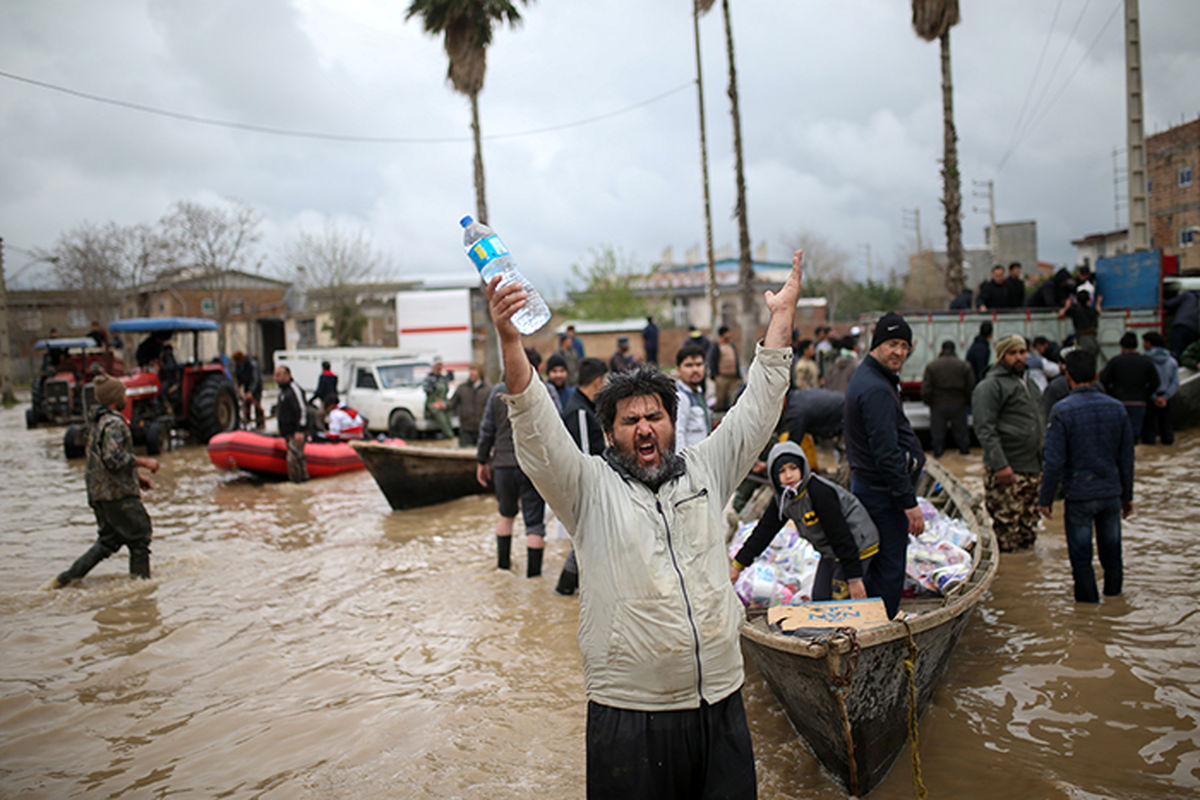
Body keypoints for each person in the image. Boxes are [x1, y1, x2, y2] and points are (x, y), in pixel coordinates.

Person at [491, 248, 803, 798]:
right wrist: (512, 343)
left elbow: (759, 407)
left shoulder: (708, 467)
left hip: (720, 699)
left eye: (654, 416)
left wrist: (781, 320)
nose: (643, 428)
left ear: (671, 423)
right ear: (610, 432)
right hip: (630, 711)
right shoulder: (586, 487)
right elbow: (535, 427)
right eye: (629, 419)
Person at [844, 312, 926, 619]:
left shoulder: (874, 377)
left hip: (872, 488)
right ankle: (882, 626)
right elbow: (886, 453)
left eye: (905, 346)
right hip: (881, 495)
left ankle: (872, 621)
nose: (899, 352)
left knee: (877, 563)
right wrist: (909, 502)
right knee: (889, 567)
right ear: (876, 344)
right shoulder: (876, 388)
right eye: (892, 344)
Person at [1039, 349, 1134, 603]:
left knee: (1081, 557)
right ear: (1096, 375)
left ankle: (1088, 609)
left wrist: (1045, 498)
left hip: (1079, 495)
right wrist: (1128, 495)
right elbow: (1126, 458)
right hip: (1111, 493)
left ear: (1067, 376)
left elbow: (1054, 461)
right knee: (1112, 552)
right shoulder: (1117, 409)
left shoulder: (1061, 410)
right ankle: (1114, 601)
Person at [731, 442, 878, 601]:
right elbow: (764, 532)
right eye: (781, 471)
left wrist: (854, 578)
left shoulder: (819, 492)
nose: (788, 476)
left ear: (802, 467)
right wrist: (738, 565)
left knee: (839, 599)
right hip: (830, 549)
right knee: (820, 598)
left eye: (793, 468)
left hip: (856, 544)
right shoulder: (783, 499)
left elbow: (840, 534)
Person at [54, 374, 159, 587]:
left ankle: (64, 580)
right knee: (140, 537)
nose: (126, 397)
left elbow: (101, 461)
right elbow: (114, 459)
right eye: (123, 394)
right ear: (114, 399)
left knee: (108, 542)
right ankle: (141, 591)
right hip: (118, 495)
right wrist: (144, 462)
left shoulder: (97, 423)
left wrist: (137, 478)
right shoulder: (115, 425)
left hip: (99, 493)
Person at [476, 356, 549, 579]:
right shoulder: (539, 391)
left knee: (505, 516)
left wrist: (481, 460)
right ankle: (534, 579)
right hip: (531, 465)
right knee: (534, 524)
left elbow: (487, 429)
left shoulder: (497, 392)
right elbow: (551, 429)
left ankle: (503, 569)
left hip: (503, 465)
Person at [972, 335, 1045, 552]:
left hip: (1032, 468)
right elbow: (985, 429)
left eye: (1022, 352)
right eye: (1012, 353)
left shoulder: (1029, 383)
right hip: (1008, 470)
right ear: (1001, 356)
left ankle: (1027, 580)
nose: (1019, 358)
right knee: (1007, 531)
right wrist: (1000, 465)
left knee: (1028, 528)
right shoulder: (990, 386)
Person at [555, 357, 609, 597]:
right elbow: (585, 455)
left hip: (589, 486)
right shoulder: (578, 411)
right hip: (586, 487)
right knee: (585, 542)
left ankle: (575, 590)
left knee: (587, 542)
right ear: (597, 382)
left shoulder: (583, 405)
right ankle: (565, 589)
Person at [1099, 332, 1159, 439]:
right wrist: (1145, 394)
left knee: (1119, 436)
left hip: (1119, 402)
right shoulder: (1146, 362)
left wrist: (1111, 394)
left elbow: (1103, 380)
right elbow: (1155, 382)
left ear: (1122, 346)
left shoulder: (1115, 361)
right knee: (1134, 435)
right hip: (1139, 402)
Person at [921, 340, 975, 457]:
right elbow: (970, 386)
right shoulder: (964, 366)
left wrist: (929, 402)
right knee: (962, 435)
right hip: (959, 404)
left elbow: (926, 388)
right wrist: (967, 402)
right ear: (954, 350)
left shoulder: (932, 366)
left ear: (942, 349)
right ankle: (964, 455)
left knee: (938, 437)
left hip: (938, 404)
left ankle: (938, 455)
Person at [1141, 332, 1179, 446]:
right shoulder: (1172, 361)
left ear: (1148, 343)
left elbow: (1143, 381)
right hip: (1166, 398)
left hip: (1150, 397)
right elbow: (1175, 383)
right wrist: (1165, 397)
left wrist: (1154, 397)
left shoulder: (1145, 361)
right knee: (1167, 430)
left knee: (1149, 433)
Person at [674, 343, 711, 451]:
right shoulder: (681, 397)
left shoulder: (699, 393)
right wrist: (682, 464)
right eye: (689, 365)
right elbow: (678, 434)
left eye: (699, 365)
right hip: (690, 462)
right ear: (678, 370)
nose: (695, 369)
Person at [274, 365, 309, 483]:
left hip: (296, 431)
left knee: (293, 459)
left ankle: (298, 484)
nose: (276, 378)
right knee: (296, 458)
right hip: (287, 432)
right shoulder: (283, 392)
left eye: (279, 375)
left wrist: (300, 430)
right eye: (275, 375)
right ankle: (301, 483)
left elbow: (302, 409)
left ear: (287, 375)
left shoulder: (294, 389)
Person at [447, 364, 491, 447]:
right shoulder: (462, 388)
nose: (471, 373)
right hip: (466, 430)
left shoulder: (488, 389)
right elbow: (452, 403)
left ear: (480, 373)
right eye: (470, 371)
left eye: (474, 371)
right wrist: (443, 405)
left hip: (482, 430)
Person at [1058, 290, 1101, 359]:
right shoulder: (1092, 310)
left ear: (1077, 301)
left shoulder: (1075, 310)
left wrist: (1067, 305)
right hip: (1093, 339)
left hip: (1082, 340)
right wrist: (1098, 302)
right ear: (1089, 300)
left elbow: (1061, 314)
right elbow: (1098, 311)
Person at [708, 325, 742, 412]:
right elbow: (712, 360)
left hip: (733, 377)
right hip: (721, 377)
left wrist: (738, 375)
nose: (729, 334)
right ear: (723, 334)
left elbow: (736, 359)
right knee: (721, 398)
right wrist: (715, 375)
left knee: (732, 397)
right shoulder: (716, 346)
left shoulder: (731, 345)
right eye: (727, 333)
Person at [423, 356, 455, 440]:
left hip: (443, 402)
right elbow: (426, 389)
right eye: (437, 365)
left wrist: (451, 374)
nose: (439, 367)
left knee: (449, 416)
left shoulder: (443, 378)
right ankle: (450, 437)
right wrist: (433, 387)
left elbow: (450, 381)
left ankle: (452, 434)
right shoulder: (429, 377)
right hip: (433, 403)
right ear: (434, 366)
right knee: (442, 418)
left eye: (440, 365)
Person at [232, 351, 265, 431]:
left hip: (256, 387)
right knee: (246, 404)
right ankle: (247, 422)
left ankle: (260, 424)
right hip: (247, 385)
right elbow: (238, 378)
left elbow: (255, 379)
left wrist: (251, 391)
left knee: (257, 404)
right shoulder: (238, 366)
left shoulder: (252, 365)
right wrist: (239, 388)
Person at [1164, 290, 1199, 361]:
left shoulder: (1187, 296)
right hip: (1194, 329)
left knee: (1176, 351)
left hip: (1181, 326)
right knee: (1188, 352)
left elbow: (1168, 304)